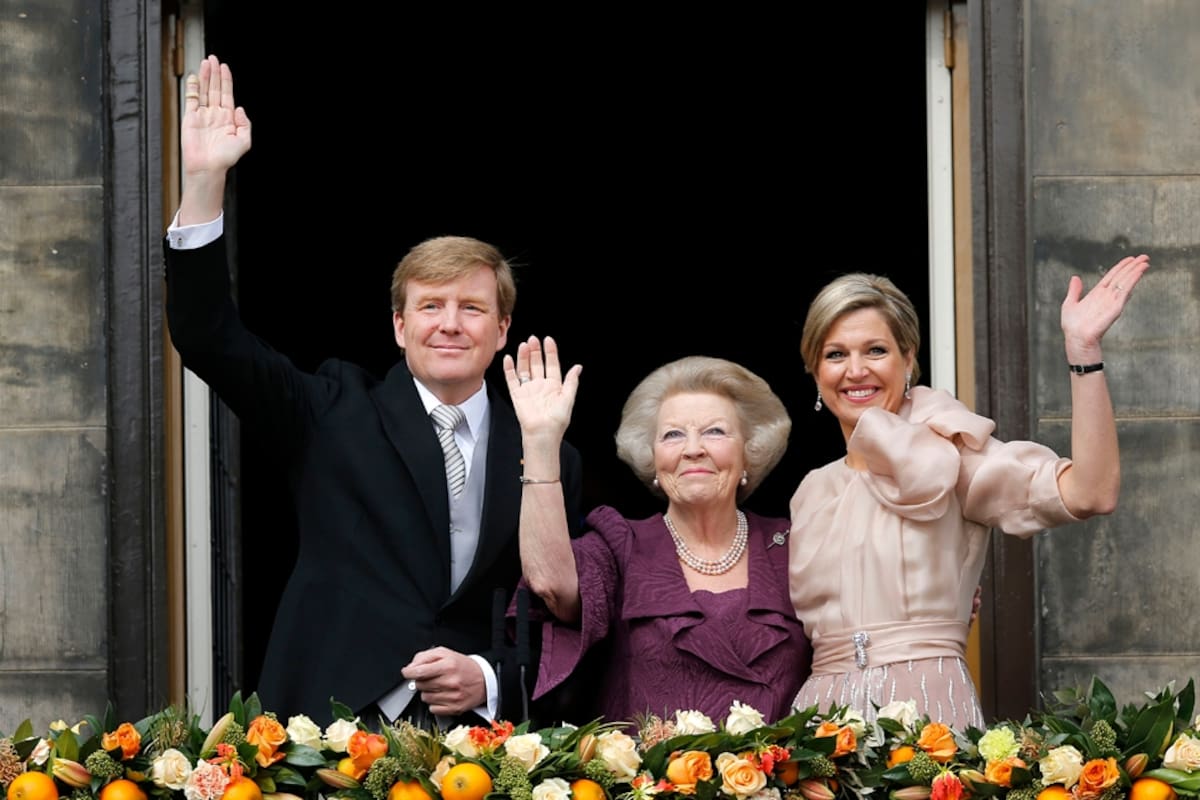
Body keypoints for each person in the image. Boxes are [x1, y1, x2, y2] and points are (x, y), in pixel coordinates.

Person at [163, 55, 583, 726]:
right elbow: (208, 334)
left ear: (503, 329)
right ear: (398, 325)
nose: (450, 323)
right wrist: (206, 179)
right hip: (331, 722)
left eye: (472, 308)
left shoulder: (547, 452)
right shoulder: (330, 410)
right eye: (430, 306)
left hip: (485, 741)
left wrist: (488, 676)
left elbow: (566, 614)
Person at [787, 255, 1150, 729]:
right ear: (815, 371)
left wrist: (1083, 350)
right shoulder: (811, 490)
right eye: (836, 354)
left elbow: (1091, 492)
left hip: (927, 710)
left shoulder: (950, 454)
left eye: (876, 350)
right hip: (821, 720)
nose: (855, 370)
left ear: (909, 358)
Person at [504, 337, 812, 726]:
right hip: (650, 784)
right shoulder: (621, 544)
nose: (693, 449)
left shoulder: (792, 544)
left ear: (749, 451)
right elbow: (550, 584)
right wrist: (541, 441)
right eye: (673, 435)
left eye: (715, 431)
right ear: (652, 459)